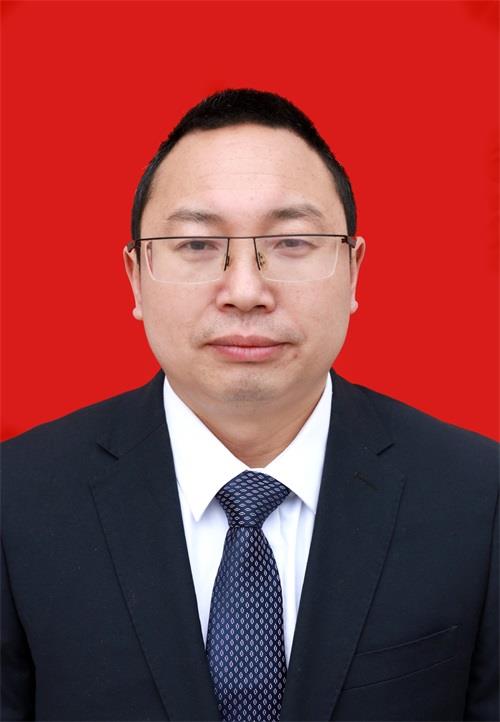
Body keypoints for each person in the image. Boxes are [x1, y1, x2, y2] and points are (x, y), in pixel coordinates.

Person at [1, 88, 498, 722]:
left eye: (292, 242)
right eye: (197, 245)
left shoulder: (478, 496)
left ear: (353, 270)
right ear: (135, 277)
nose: (244, 290)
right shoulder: (17, 498)